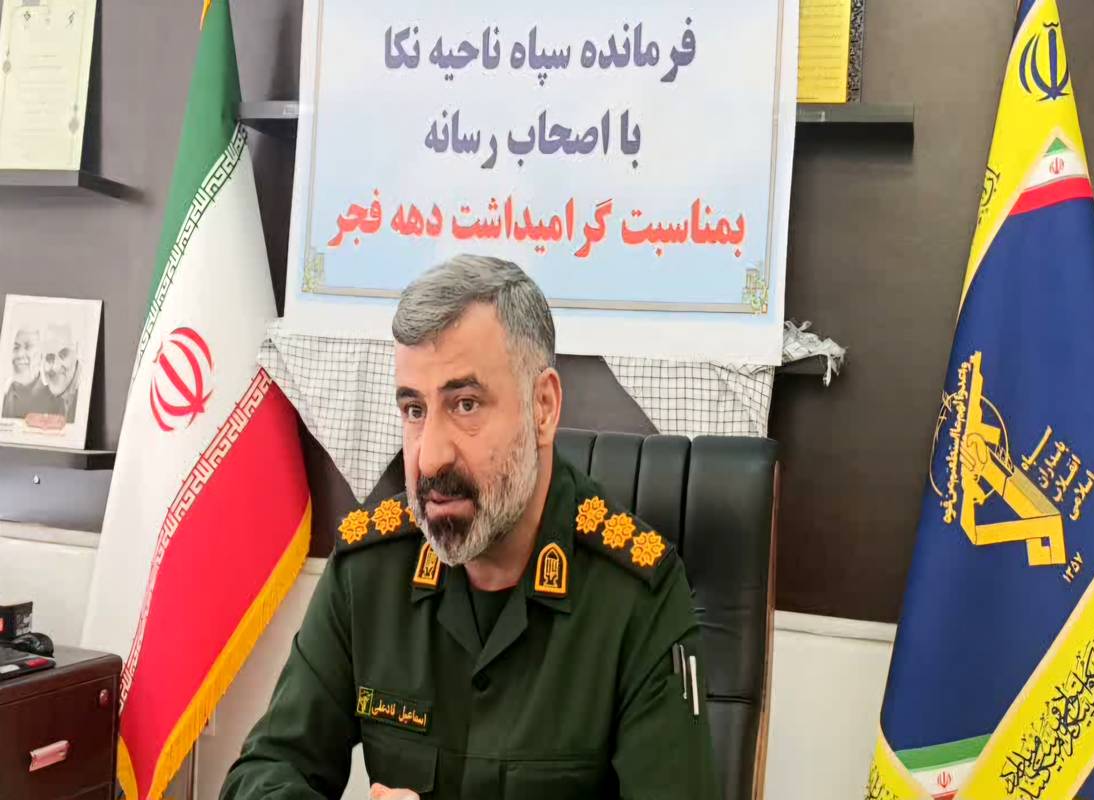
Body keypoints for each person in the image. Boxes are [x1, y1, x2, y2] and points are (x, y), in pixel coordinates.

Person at [221, 255, 720, 800]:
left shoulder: (637, 598)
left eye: (465, 404)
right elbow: (262, 773)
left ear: (543, 408)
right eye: (414, 410)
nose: (430, 456)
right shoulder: (369, 571)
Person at [2, 326, 49, 419]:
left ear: (41, 355)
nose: (19, 354)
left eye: (28, 347)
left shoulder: (54, 401)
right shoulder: (5, 393)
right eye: (16, 347)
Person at [40, 322, 80, 423]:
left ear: (77, 351)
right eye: (49, 357)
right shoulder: (39, 400)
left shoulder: (89, 396)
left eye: (64, 354)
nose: (56, 367)